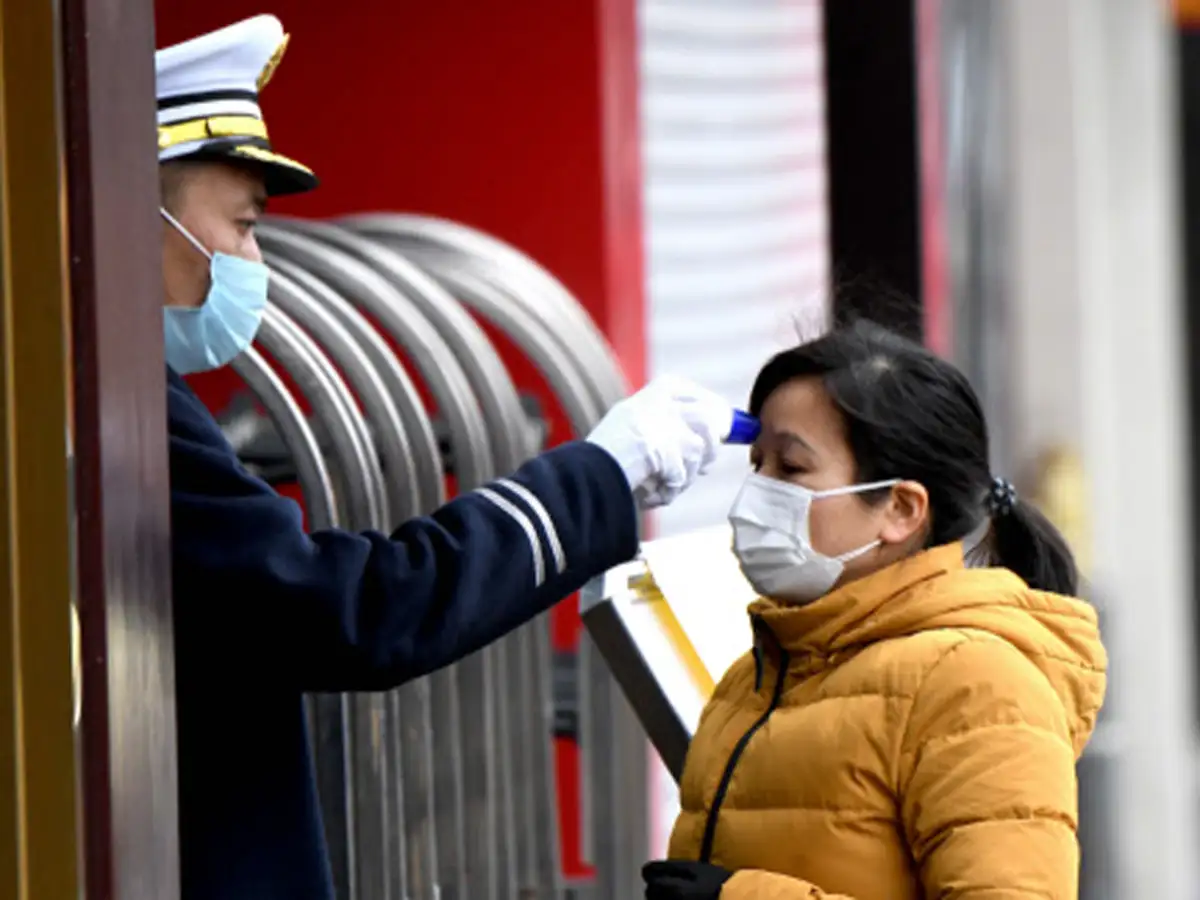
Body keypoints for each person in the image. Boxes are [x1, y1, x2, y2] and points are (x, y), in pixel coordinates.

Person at [156, 15, 735, 899]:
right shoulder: (130, 412)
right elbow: (355, 609)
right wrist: (600, 474)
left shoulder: (129, 393)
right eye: (241, 224)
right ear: (137, 214)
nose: (251, 257)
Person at [641, 319, 1108, 900]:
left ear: (901, 509)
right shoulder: (760, 673)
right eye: (757, 464)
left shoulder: (976, 684)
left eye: (792, 468)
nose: (755, 494)